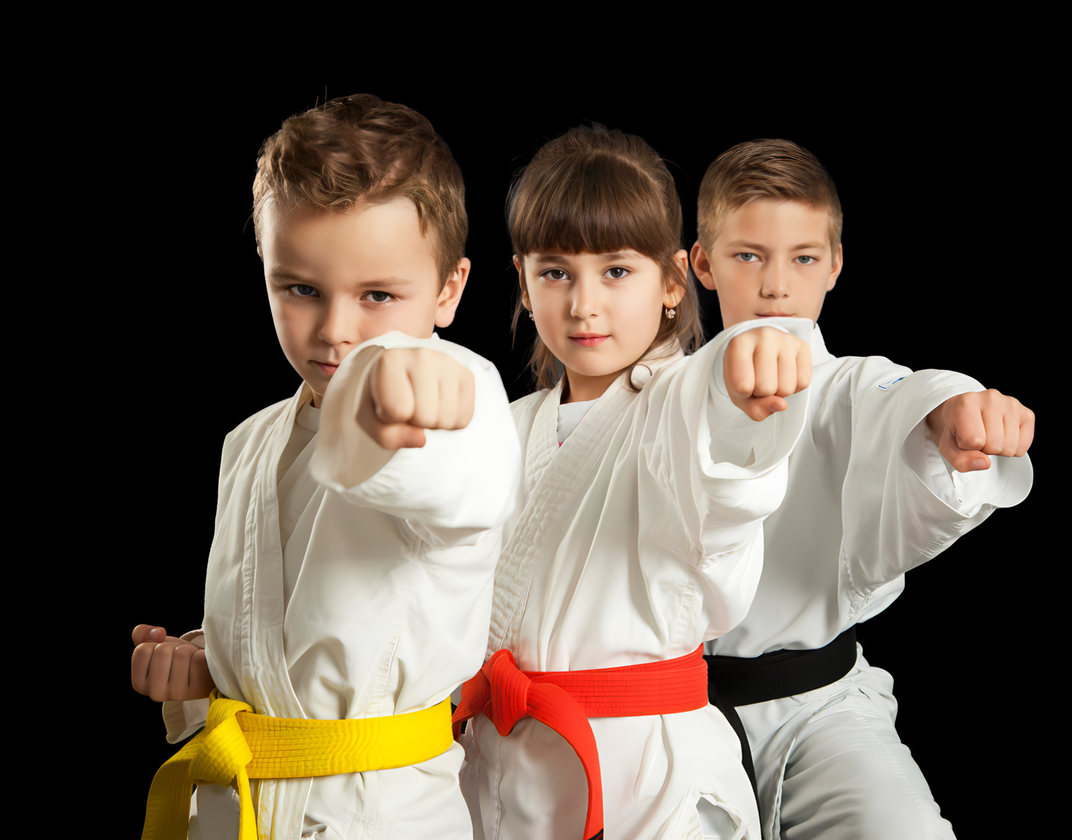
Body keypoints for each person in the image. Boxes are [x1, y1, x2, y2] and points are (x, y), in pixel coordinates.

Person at [130, 93, 521, 840]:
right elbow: (301, 633)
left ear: (449, 290)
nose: (337, 330)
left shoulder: (458, 405)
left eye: (379, 295)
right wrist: (208, 660)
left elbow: (457, 482)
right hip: (233, 806)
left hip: (377, 813)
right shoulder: (248, 442)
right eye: (300, 289)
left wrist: (411, 390)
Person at [453, 125, 814, 840]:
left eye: (617, 271)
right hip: (495, 772)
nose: (584, 303)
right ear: (522, 280)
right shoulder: (501, 422)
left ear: (673, 280)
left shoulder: (681, 402)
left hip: (649, 785)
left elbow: (721, 436)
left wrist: (751, 361)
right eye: (556, 272)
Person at [690, 139, 1034, 840]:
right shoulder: (660, 395)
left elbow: (901, 396)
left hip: (820, 712)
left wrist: (956, 408)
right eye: (748, 255)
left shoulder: (848, 385)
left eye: (804, 258)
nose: (777, 286)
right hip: (666, 720)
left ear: (836, 266)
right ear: (700, 263)